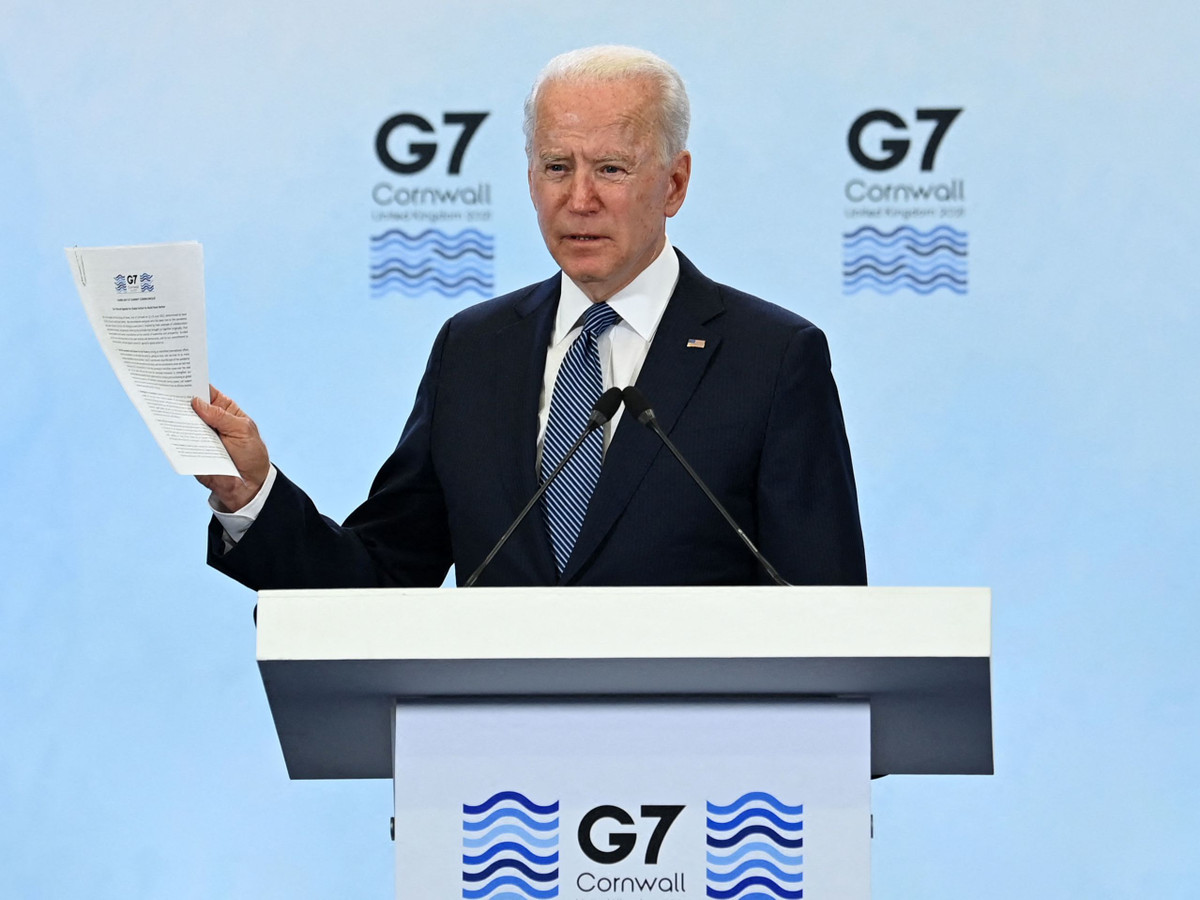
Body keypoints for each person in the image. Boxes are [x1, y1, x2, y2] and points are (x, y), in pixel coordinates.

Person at [195, 45, 867, 589]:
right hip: (494, 722)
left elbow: (826, 611)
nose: (579, 199)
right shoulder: (474, 349)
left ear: (675, 183)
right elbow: (381, 579)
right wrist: (253, 495)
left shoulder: (772, 357)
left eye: (611, 168)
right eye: (556, 166)